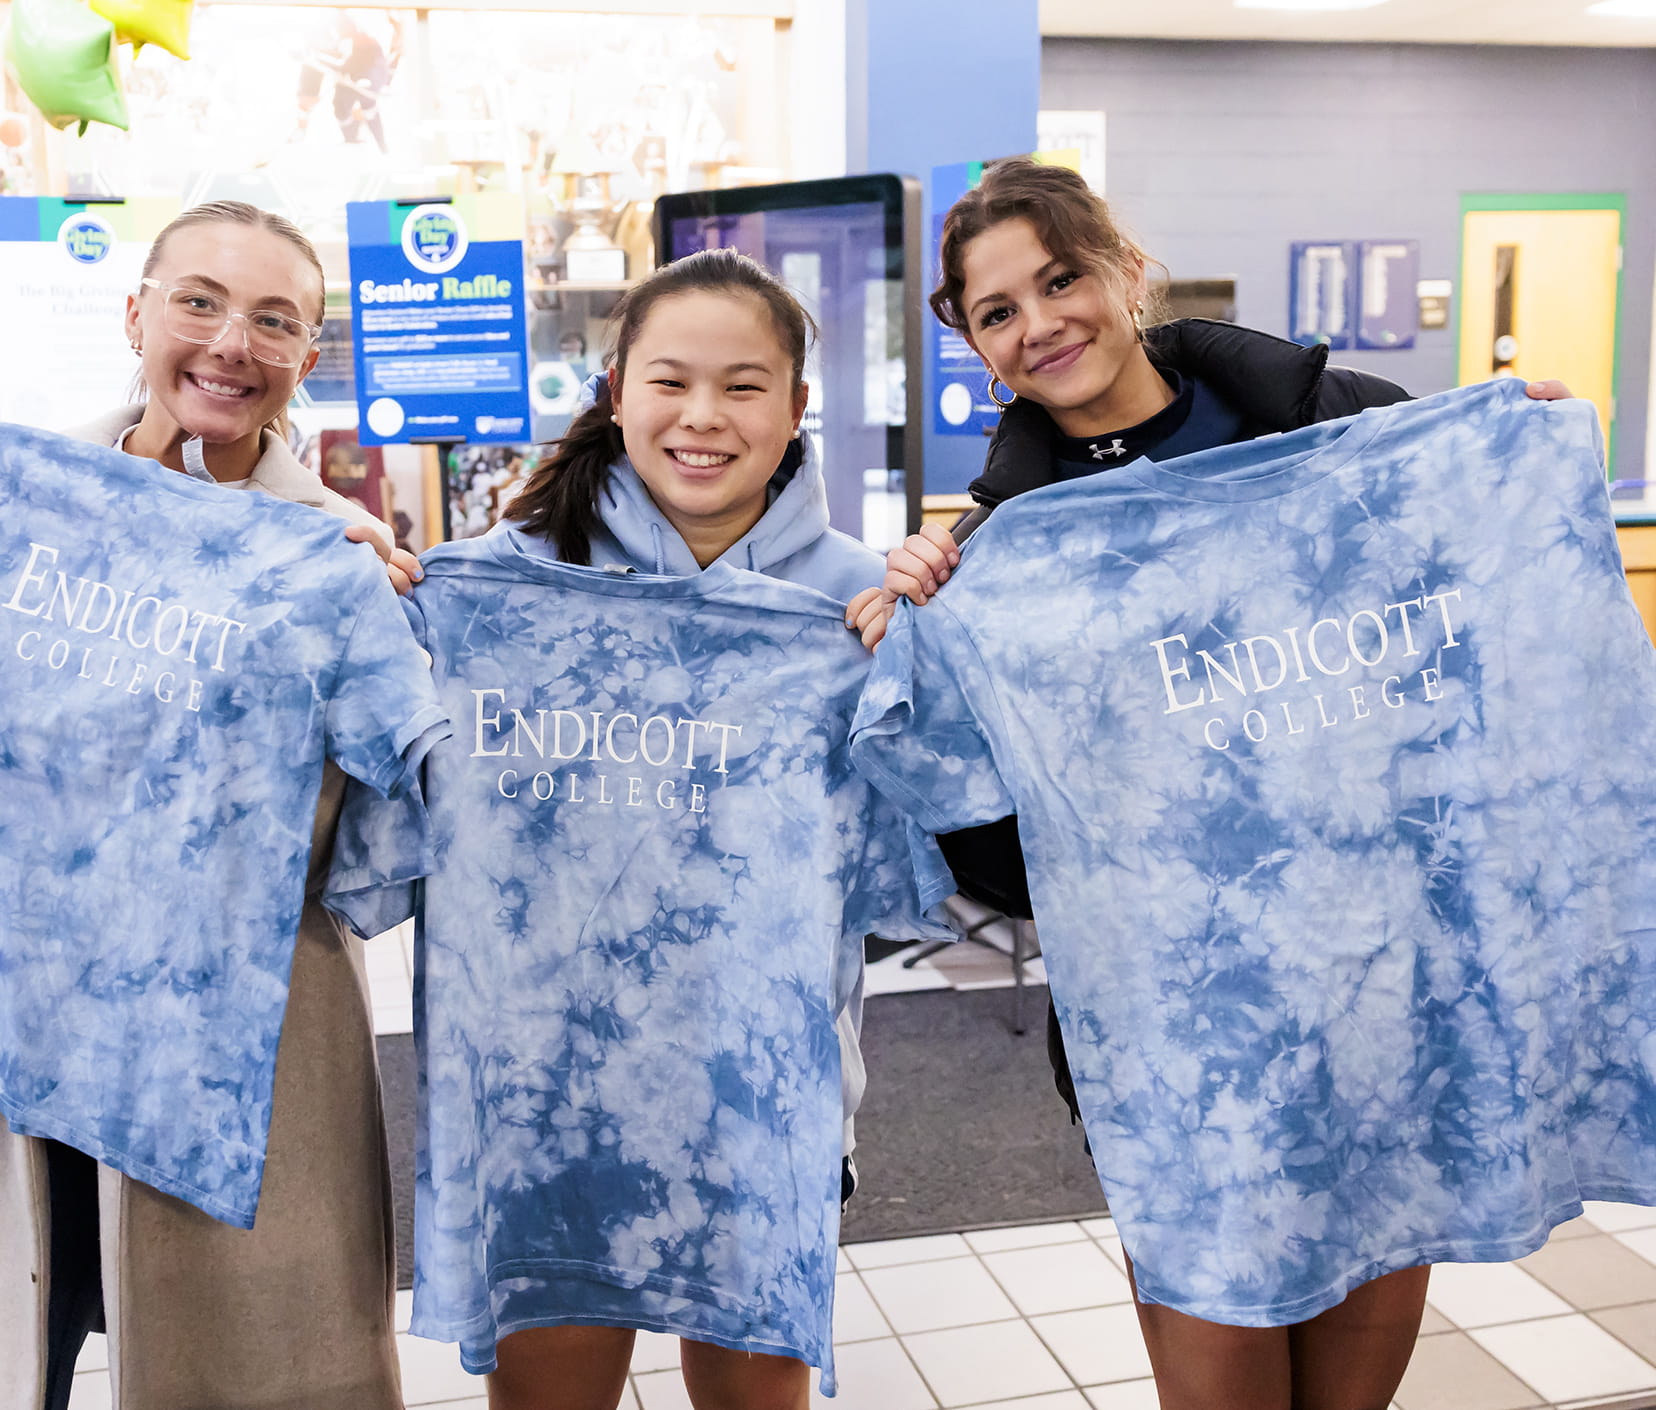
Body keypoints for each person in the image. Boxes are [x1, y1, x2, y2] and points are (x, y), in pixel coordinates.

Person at [844, 157, 1573, 1410]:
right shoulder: (1006, 549)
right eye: (997, 312)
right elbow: (1005, 863)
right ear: (975, 350)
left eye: (1058, 279)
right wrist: (932, 660)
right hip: (1179, 1032)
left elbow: (1481, 655)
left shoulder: (1345, 424)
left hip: (1381, 983)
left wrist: (1518, 464)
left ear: (1127, 273)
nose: (1039, 323)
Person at [0, 199, 421, 1410]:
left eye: (274, 320)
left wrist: (380, 629)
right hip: (27, 1010)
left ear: (308, 356)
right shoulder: (9, 500)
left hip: (245, 1029)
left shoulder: (332, 553)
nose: (229, 343)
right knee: (6, 1342)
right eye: (198, 301)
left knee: (248, 1363)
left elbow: (369, 831)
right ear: (135, 313)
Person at [397, 247, 918, 1410]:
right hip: (548, 1097)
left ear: (795, 409)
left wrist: (923, 654)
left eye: (743, 386)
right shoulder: (499, 589)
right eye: (670, 381)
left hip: (757, 1094)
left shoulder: (857, 606)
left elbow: (934, 835)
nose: (702, 417)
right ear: (616, 389)